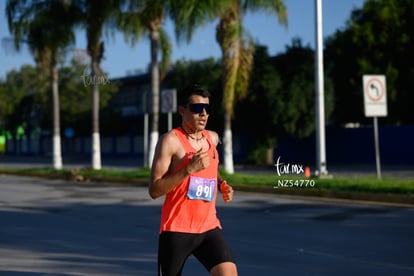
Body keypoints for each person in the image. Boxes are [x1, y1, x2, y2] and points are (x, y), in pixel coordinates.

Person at [149, 84, 238, 276]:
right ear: (182, 110)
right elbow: (154, 190)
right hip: (176, 229)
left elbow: (212, 169)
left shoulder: (211, 138)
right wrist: (188, 169)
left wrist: (222, 184)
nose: (203, 114)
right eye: (197, 109)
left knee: (228, 273)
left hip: (208, 227)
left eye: (207, 109)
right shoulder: (170, 141)